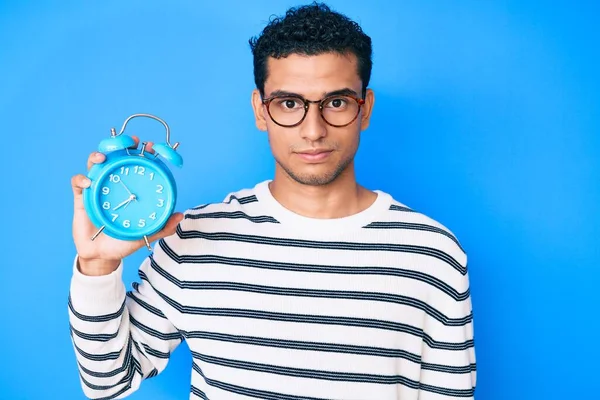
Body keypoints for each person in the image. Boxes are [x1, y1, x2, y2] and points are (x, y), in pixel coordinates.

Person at [68, 2, 476, 399]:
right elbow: (108, 382)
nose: (313, 130)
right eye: (289, 103)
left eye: (336, 102)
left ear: (364, 109)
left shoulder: (432, 254)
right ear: (260, 111)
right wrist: (98, 265)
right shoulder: (193, 240)